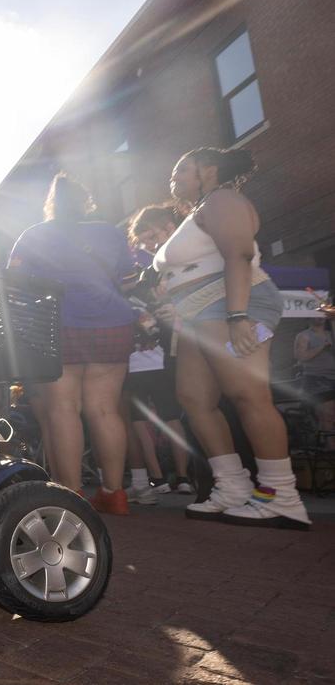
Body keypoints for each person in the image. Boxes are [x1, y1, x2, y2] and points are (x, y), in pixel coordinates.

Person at [154, 147, 309, 528]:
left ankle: (280, 496)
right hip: (197, 313)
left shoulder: (223, 199)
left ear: (209, 170)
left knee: (247, 394)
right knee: (195, 399)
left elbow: (238, 255)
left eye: (181, 169)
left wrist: (238, 316)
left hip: (233, 303)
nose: (173, 177)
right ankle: (233, 487)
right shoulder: (197, 210)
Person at [8, 174, 136, 515]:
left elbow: (14, 285)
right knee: (105, 409)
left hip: (58, 324)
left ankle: (72, 494)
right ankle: (115, 492)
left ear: (51, 203)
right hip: (113, 323)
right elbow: (127, 277)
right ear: (85, 200)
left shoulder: (33, 235)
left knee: (63, 408)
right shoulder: (109, 232)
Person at [124, 204, 194, 497]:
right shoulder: (152, 277)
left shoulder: (134, 283)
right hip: (164, 357)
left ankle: (158, 478)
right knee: (170, 416)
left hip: (136, 361)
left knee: (142, 421)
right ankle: (182, 477)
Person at [293, 316, 334, 440]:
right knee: (328, 414)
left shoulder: (330, 333)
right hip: (317, 379)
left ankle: (327, 445)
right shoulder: (304, 336)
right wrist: (322, 347)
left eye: (322, 316)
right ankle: (330, 448)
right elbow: (301, 356)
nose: (319, 318)